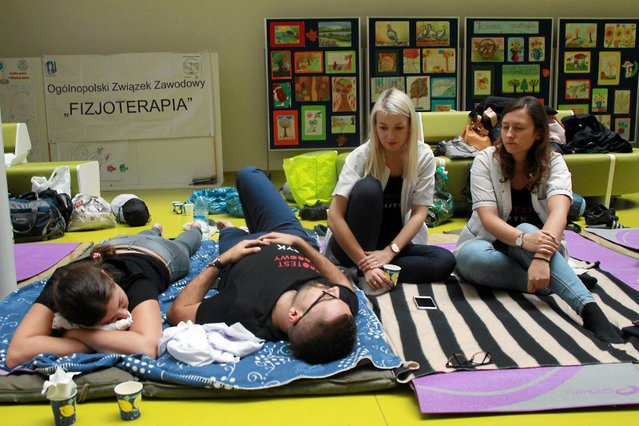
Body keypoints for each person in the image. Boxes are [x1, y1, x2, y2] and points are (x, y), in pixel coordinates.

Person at [454, 96, 623, 343]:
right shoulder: (486, 160)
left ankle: (589, 309)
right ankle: (561, 280)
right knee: (468, 258)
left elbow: (559, 213)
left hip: (540, 247)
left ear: (538, 133)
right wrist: (523, 240)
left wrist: (542, 256)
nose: (509, 134)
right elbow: (488, 219)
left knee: (527, 226)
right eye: (506, 126)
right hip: (493, 244)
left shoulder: (554, 162)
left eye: (519, 128)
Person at [167, 166, 358, 364]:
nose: (334, 290)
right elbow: (344, 285)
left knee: (229, 233)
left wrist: (222, 261)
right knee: (247, 175)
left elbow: (177, 312)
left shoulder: (243, 311)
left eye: (326, 296)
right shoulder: (338, 312)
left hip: (240, 250)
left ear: (294, 315)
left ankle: (230, 230)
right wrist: (300, 244)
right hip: (289, 235)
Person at [6, 224, 202, 368]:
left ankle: (195, 228)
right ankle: (154, 230)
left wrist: (76, 334)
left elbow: (148, 346)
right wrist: (93, 339)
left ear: (106, 277)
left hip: (161, 253)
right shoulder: (65, 283)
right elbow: (16, 353)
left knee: (185, 243)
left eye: (120, 303)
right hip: (117, 244)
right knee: (146, 235)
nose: (124, 315)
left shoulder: (136, 281)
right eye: (113, 318)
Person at [325, 88, 456, 293]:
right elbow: (334, 217)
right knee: (368, 188)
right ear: (375, 126)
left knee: (445, 260)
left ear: (410, 127)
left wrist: (389, 252)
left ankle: (378, 271)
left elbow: (420, 212)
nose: (390, 136)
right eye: (383, 127)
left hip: (391, 245)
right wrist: (363, 262)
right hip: (352, 246)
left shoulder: (423, 157)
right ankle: (364, 274)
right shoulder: (361, 156)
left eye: (398, 128)